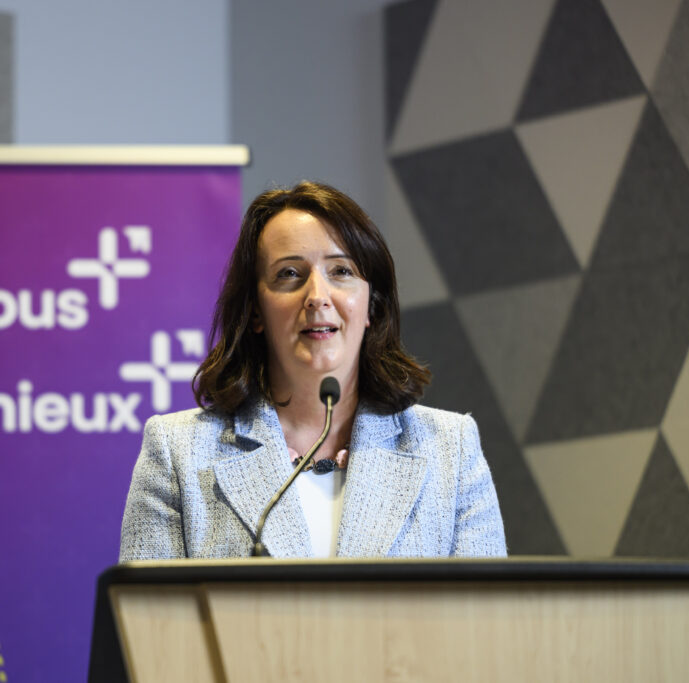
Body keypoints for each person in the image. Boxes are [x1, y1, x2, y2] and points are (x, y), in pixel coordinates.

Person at [119, 181, 507, 560]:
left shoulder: (449, 450)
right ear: (255, 310)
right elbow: (149, 624)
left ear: (371, 304)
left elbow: (488, 621)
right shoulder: (178, 453)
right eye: (289, 274)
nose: (318, 297)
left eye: (341, 271)